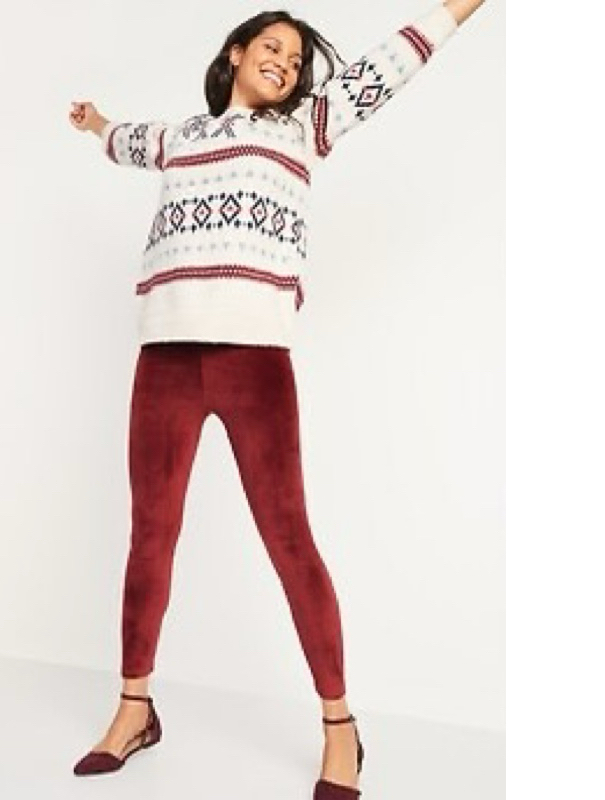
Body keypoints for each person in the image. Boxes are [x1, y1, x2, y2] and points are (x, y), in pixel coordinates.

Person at [67, 1, 486, 796]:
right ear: (235, 53)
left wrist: (462, 9)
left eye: (295, 60)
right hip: (165, 354)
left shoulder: (303, 129)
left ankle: (340, 725)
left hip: (253, 359)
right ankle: (134, 709)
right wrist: (94, 123)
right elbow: (125, 140)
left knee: (289, 540)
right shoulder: (181, 137)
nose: (286, 65)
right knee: (150, 535)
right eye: (272, 48)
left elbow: (394, 62)